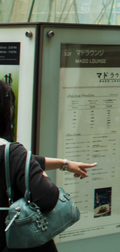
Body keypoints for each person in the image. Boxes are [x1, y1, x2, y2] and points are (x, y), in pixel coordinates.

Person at [0, 80, 94, 251]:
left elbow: (26, 161)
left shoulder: (12, 155)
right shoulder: (12, 152)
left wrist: (63, 164)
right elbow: (47, 198)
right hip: (13, 242)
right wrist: (41, 176)